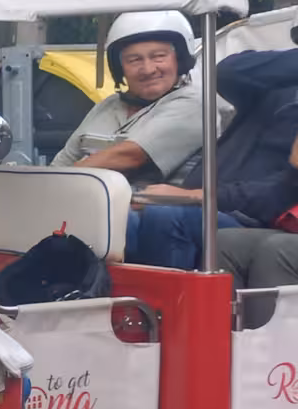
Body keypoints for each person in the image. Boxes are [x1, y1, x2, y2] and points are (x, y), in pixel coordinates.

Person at [125, 47, 298, 269]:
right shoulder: (277, 87)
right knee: (116, 219)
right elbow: (229, 72)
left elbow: (283, 191)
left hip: (256, 216)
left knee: (165, 215)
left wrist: (197, 196)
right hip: (203, 201)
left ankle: (167, 304)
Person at [51, 12, 218, 183]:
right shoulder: (107, 106)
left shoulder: (196, 104)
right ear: (120, 67)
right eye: (134, 60)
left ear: (179, 60)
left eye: (158, 56)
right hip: (93, 204)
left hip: (158, 207)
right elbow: (63, 161)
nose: (148, 69)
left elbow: (129, 156)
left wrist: (60, 181)